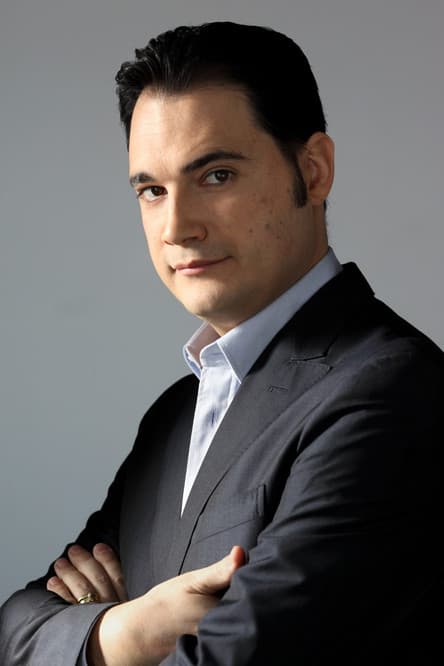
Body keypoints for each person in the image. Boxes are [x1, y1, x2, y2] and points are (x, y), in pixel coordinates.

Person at [1, 20, 443, 666]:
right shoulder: (172, 419)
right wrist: (121, 635)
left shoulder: (389, 393)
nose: (176, 227)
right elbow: (14, 628)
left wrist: (96, 630)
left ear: (314, 170)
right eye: (152, 190)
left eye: (215, 176)